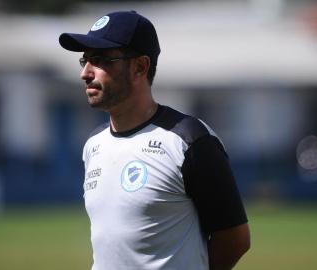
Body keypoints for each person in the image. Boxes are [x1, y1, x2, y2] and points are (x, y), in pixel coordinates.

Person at [59, 10, 250, 270]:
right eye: (85, 60)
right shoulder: (93, 145)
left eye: (100, 59)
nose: (86, 72)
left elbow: (235, 239)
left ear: (140, 67)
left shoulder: (189, 141)